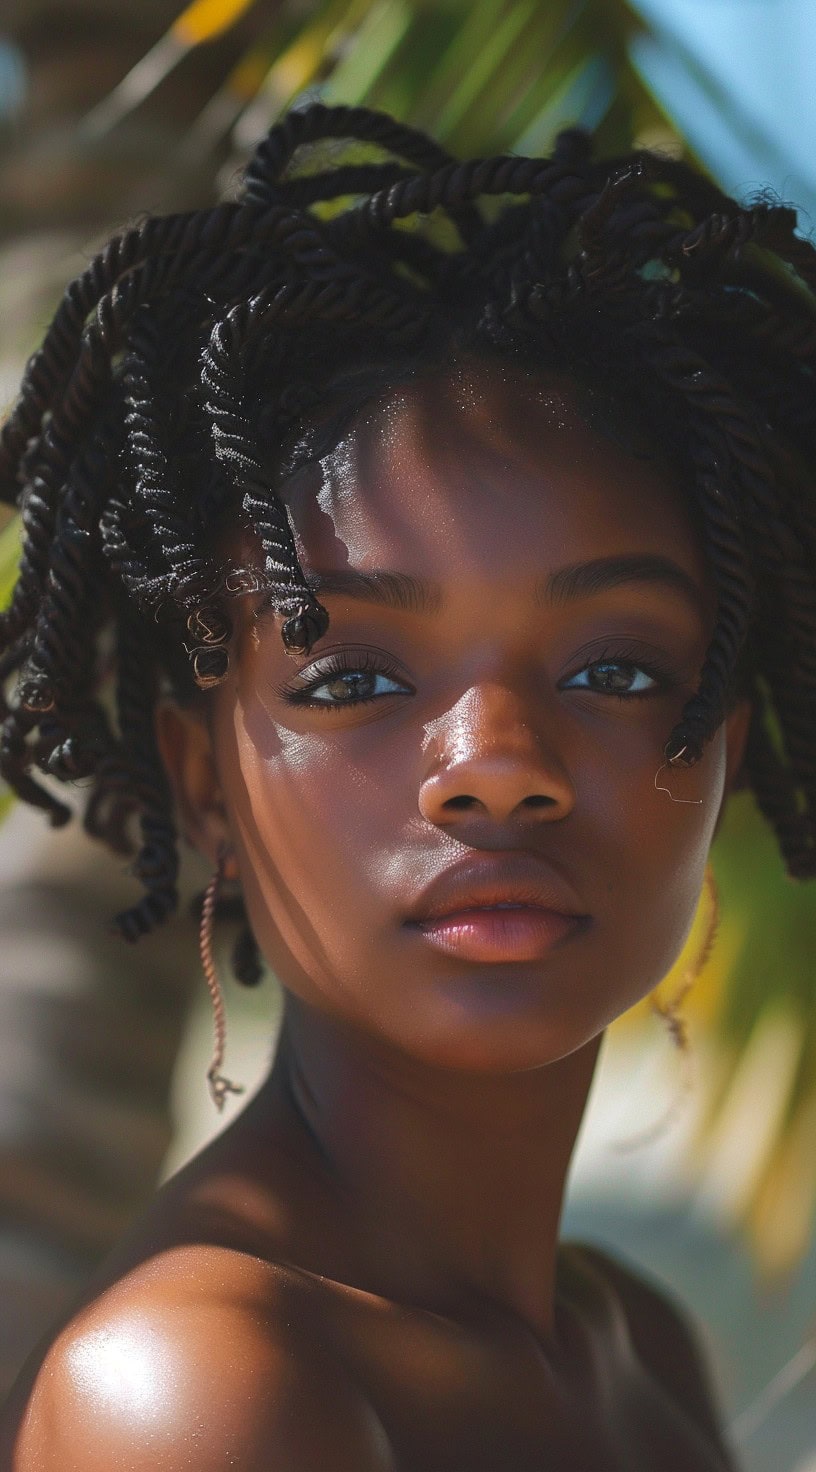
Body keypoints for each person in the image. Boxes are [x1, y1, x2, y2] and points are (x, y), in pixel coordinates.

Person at [0, 101, 813, 1471]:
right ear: (205, 782)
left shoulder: (632, 1344)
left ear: (724, 748)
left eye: (614, 671)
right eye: (357, 679)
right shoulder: (202, 1396)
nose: (496, 767)